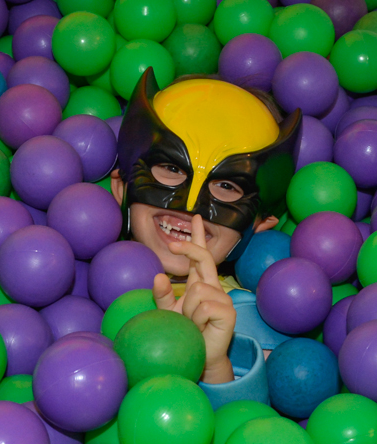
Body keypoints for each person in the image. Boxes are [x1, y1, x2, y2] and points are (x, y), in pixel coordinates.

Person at [110, 69, 302, 406]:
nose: (189, 205)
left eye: (227, 187)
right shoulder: (68, 268)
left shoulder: (247, 318)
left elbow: (252, 433)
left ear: (262, 221)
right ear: (121, 185)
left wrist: (214, 364)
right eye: (171, 168)